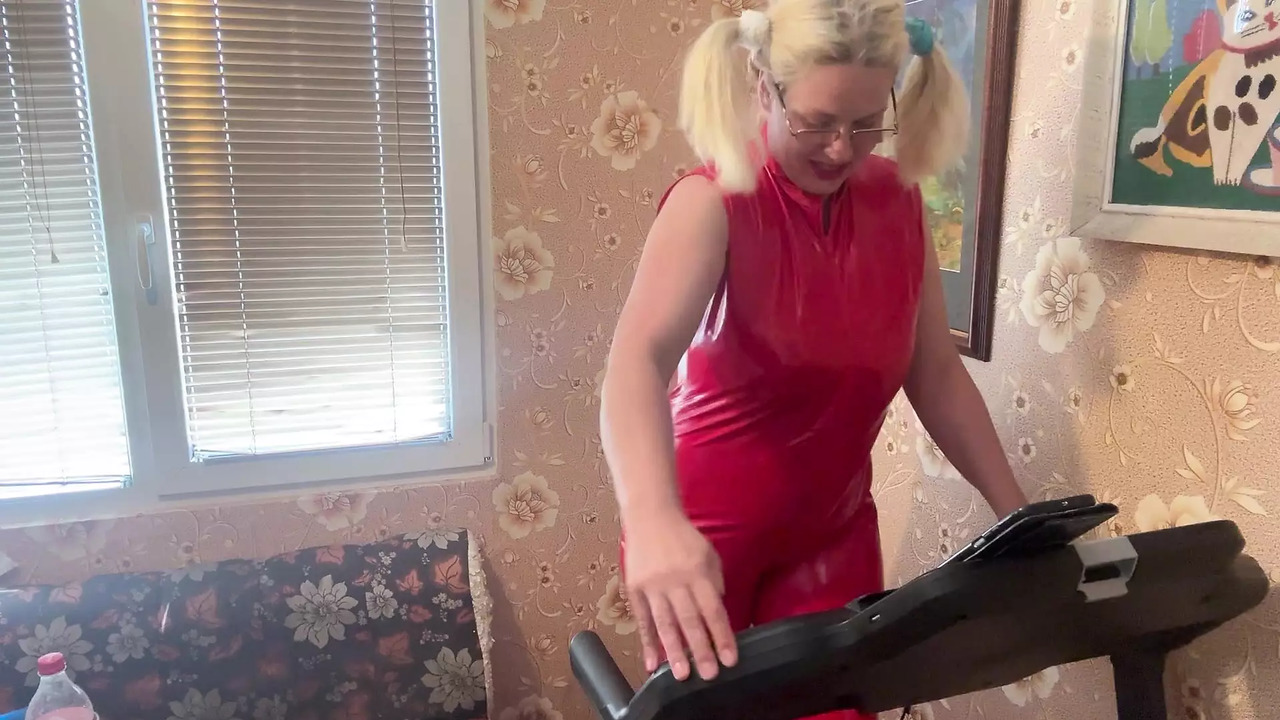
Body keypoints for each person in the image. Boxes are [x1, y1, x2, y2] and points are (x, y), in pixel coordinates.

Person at [598, 1, 1029, 718]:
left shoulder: (901, 204)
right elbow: (634, 364)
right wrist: (649, 521)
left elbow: (935, 374)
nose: (839, 148)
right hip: (702, 540)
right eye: (816, 122)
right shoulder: (710, 203)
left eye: (866, 123)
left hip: (835, 532)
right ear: (763, 87)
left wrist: (1017, 518)